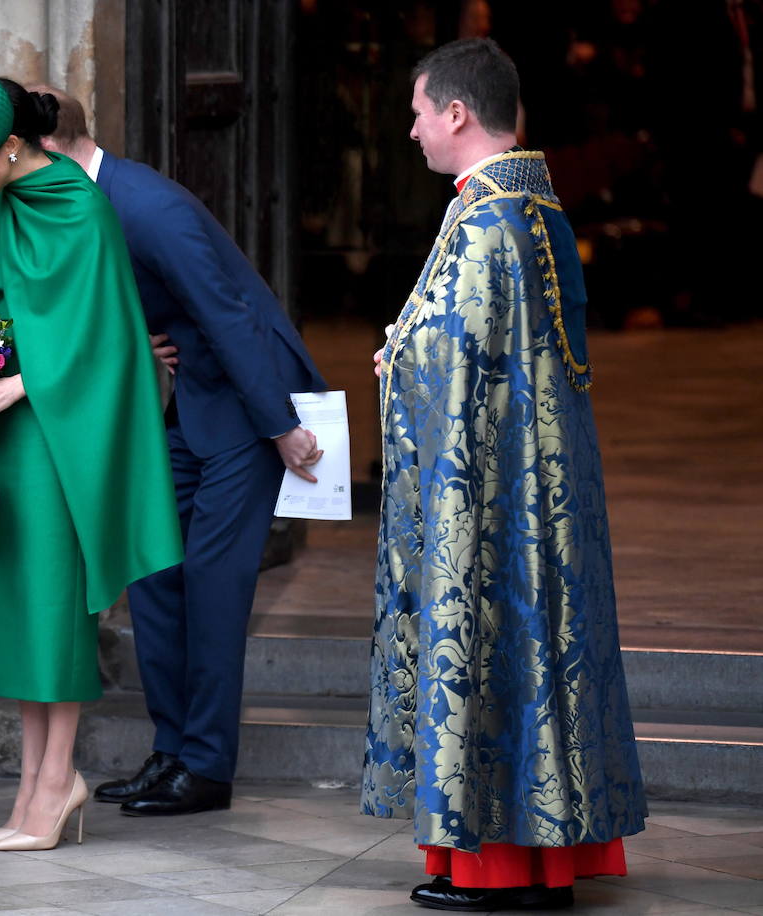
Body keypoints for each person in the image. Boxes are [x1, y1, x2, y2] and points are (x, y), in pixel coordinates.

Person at [366, 38, 647, 911]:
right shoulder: (533, 207)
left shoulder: (488, 225)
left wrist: (396, 362)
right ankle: (547, 858)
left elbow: (455, 363)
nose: (410, 131)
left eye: (417, 113)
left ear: (455, 114)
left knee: (497, 651)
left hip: (492, 500)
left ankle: (508, 870)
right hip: (537, 485)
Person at [0, 70, 183, 852]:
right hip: (19, 435)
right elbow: (14, 314)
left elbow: (106, 336)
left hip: (62, 440)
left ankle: (58, 783)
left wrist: (18, 380)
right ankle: (32, 785)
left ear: (13, 145)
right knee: (23, 611)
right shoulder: (14, 202)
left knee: (55, 613)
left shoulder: (81, 207)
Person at [35, 86, 327, 816]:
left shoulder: (146, 205)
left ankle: (206, 767)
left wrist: (281, 424)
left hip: (246, 406)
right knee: (154, 569)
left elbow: (228, 314)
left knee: (216, 586)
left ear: (48, 149)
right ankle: (170, 751)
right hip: (191, 401)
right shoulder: (85, 201)